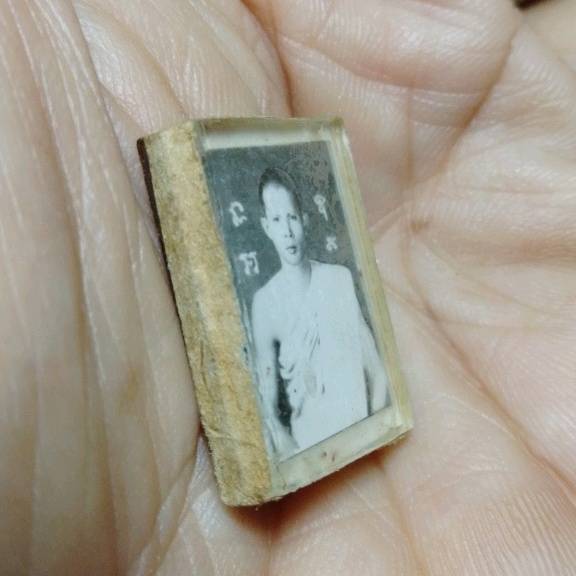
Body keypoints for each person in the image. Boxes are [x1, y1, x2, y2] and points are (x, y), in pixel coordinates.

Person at [251, 167, 389, 458]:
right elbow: (269, 412)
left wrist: (374, 434)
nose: (287, 231)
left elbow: (378, 373)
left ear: (304, 218)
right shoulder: (264, 304)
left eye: (292, 217)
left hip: (361, 439)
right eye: (277, 220)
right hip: (311, 451)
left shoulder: (338, 280)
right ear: (266, 227)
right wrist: (296, 457)